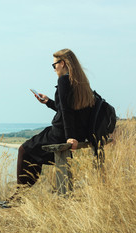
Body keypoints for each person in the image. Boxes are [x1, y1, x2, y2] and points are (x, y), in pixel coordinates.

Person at [17, 48, 95, 187]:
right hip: (78, 133)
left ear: (63, 63)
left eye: (54, 65)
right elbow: (69, 109)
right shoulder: (81, 82)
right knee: (32, 150)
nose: (54, 69)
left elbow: (66, 111)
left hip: (61, 134)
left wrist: (69, 137)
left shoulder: (64, 80)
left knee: (24, 150)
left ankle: (20, 193)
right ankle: (23, 191)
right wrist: (49, 102)